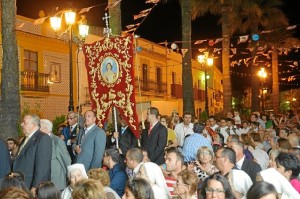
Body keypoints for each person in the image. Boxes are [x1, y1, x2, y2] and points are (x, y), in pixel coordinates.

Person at [12, 114, 52, 196]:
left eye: (24, 122)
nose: (21, 124)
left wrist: (36, 186)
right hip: (21, 183)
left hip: (30, 184)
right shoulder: (26, 138)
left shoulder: (43, 138)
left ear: (33, 125)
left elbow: (43, 165)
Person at [40, 119, 71, 191]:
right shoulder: (40, 140)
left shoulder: (57, 141)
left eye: (39, 128)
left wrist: (68, 177)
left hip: (56, 181)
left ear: (45, 129)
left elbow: (66, 160)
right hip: (44, 181)